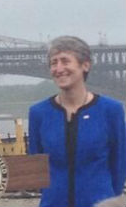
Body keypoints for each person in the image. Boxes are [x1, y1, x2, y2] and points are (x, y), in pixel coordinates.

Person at [29, 36, 126, 207]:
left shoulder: (111, 110)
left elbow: (119, 165)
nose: (59, 68)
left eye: (65, 61)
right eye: (54, 63)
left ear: (85, 65)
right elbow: (38, 170)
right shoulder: (38, 113)